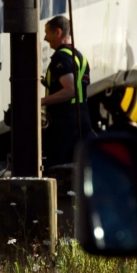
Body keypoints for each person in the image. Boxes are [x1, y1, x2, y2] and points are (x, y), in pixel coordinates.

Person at [43, 14, 90, 169]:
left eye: (47, 33)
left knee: (58, 168)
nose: (45, 38)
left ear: (58, 32)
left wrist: (41, 101)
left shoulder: (60, 57)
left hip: (64, 123)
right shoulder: (79, 57)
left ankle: (61, 194)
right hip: (82, 118)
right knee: (77, 167)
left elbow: (71, 90)